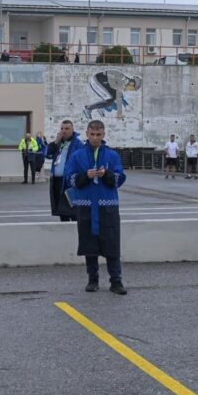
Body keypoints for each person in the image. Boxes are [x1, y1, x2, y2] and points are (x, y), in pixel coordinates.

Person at [64, 119, 127, 295]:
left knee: (112, 245)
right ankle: (93, 280)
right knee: (89, 244)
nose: (95, 138)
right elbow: (69, 178)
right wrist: (85, 176)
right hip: (86, 206)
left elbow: (120, 178)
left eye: (98, 134)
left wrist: (106, 174)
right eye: (92, 134)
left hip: (108, 207)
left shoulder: (112, 155)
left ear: (104, 134)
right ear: (87, 134)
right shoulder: (77, 155)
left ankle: (116, 281)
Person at [47, 119, 84, 221]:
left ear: (72, 130)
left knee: (73, 211)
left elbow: (82, 162)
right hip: (57, 181)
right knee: (62, 211)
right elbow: (47, 154)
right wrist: (55, 142)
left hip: (69, 182)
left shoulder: (77, 144)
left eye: (67, 128)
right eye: (62, 128)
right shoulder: (58, 143)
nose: (64, 131)